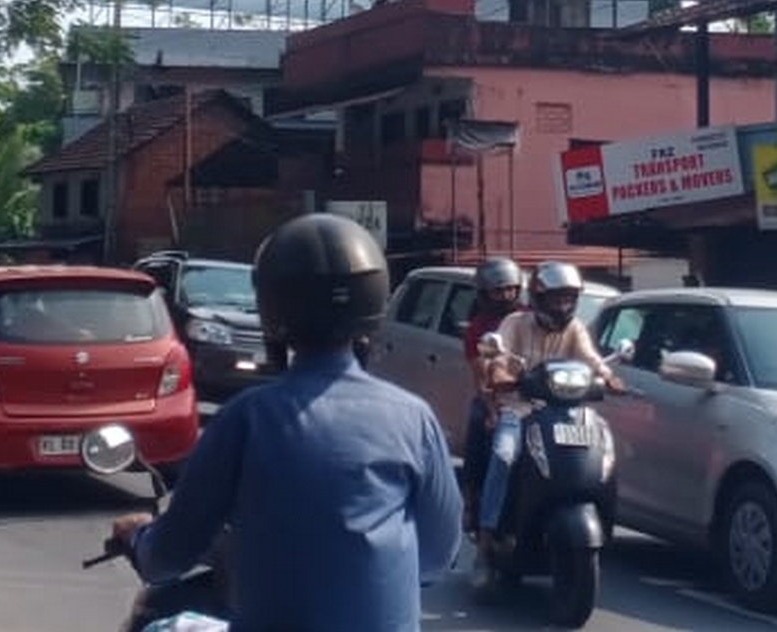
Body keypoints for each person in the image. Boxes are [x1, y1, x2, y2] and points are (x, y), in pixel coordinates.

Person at [111, 214, 462, 632]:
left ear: (272, 306)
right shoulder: (413, 417)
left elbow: (169, 557)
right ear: (374, 297)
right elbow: (437, 556)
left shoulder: (245, 419)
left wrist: (137, 538)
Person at [473, 260, 622, 589]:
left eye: (569, 298)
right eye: (556, 298)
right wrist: (501, 373)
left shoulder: (575, 329)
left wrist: (608, 375)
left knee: (603, 449)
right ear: (539, 298)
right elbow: (497, 358)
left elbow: (590, 358)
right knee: (503, 455)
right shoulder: (515, 323)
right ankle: (485, 544)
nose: (563, 306)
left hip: (565, 411)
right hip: (519, 409)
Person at [461, 257, 523, 531]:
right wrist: (491, 410)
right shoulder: (477, 328)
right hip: (496, 398)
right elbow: (481, 376)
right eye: (499, 291)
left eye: (511, 289)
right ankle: (472, 502)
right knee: (477, 424)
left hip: (532, 396)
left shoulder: (529, 317)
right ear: (485, 294)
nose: (506, 295)